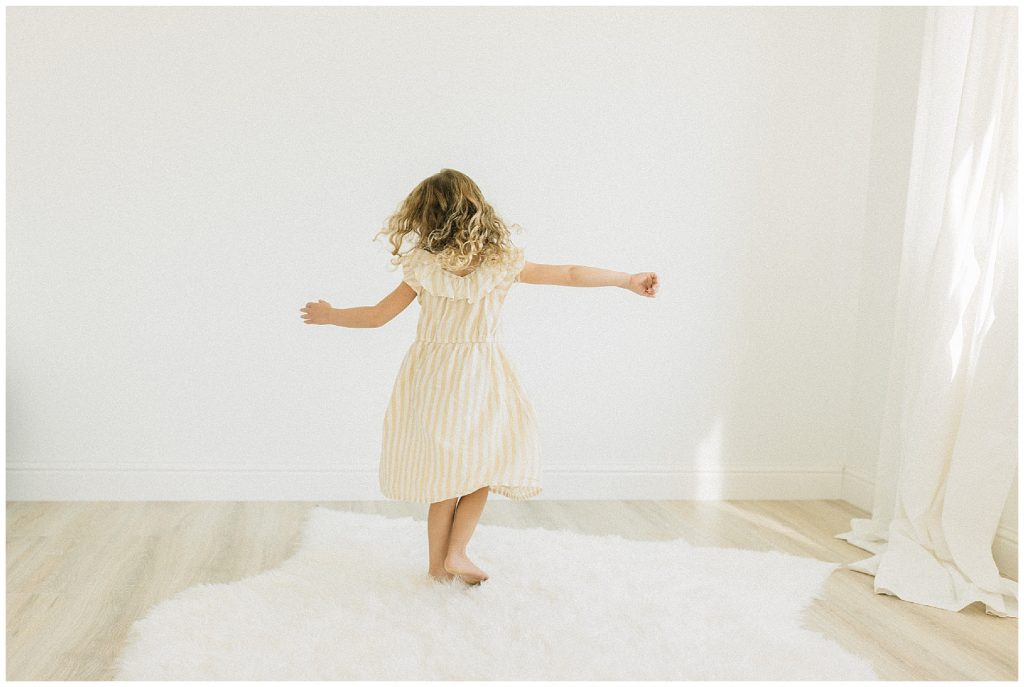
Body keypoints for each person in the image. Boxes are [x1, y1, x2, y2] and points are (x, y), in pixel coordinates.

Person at [300, 169, 658, 586]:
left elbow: (378, 317)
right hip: (480, 375)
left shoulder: (422, 266)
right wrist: (625, 280)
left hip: (430, 377)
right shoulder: (501, 264)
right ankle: (457, 552)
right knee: (482, 466)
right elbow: (571, 273)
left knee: (444, 476)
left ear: (424, 217)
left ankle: (437, 568)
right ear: (477, 212)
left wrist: (331, 316)